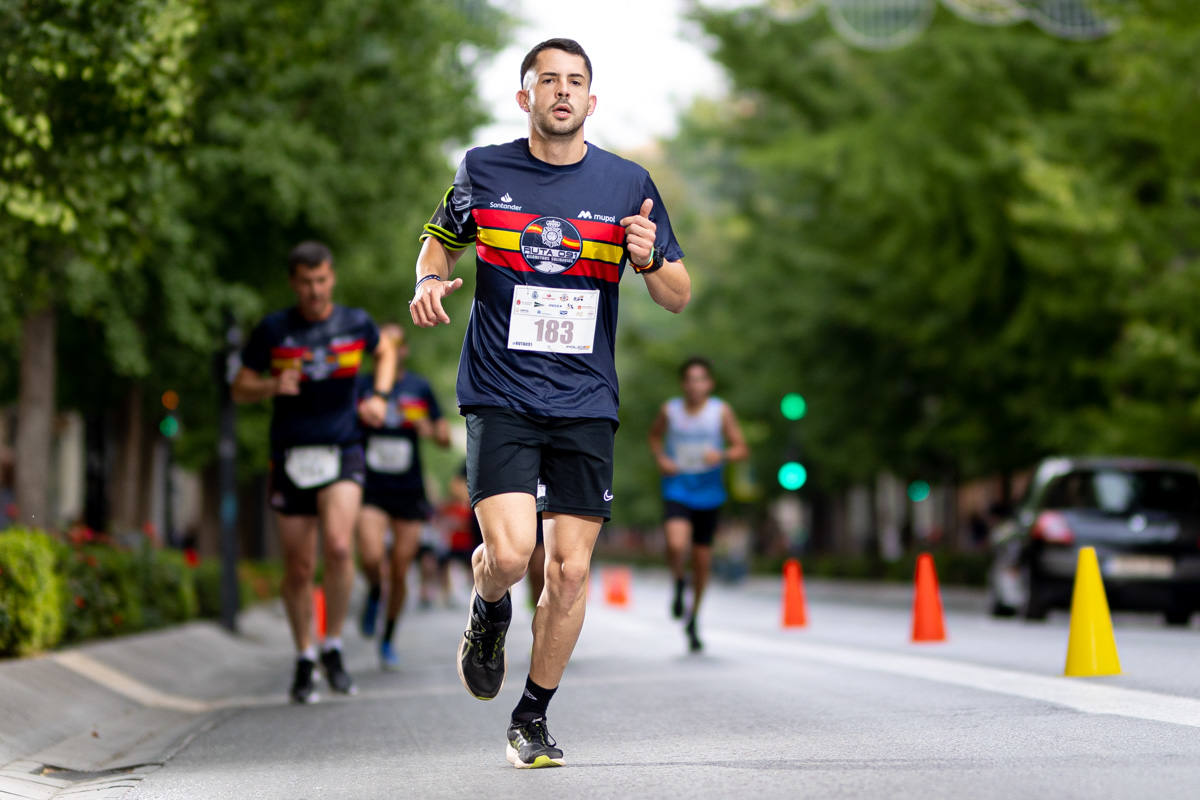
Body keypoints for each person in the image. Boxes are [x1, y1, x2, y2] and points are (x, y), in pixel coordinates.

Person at [409, 37, 690, 769]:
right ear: (524, 96)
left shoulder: (630, 185)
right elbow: (437, 243)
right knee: (510, 552)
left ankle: (530, 716)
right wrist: (429, 280)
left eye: (575, 83)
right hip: (500, 390)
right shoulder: (483, 169)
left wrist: (648, 258)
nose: (562, 92)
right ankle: (489, 605)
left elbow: (678, 296)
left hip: (585, 398)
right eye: (548, 81)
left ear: (591, 102)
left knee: (567, 571)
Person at [233, 241, 396, 704]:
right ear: (293, 283)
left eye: (321, 280)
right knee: (300, 566)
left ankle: (334, 645)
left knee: (340, 547)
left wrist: (379, 397)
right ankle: (304, 656)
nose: (314, 290)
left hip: (342, 446)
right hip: (290, 453)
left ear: (332, 278)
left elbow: (385, 351)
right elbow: (239, 386)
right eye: (305, 282)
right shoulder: (273, 330)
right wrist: (270, 383)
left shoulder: (354, 322)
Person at [355, 323, 449, 669]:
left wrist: (428, 428)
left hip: (409, 491)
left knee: (400, 568)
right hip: (371, 487)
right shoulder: (362, 386)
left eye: (396, 343)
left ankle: (389, 637)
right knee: (370, 555)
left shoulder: (419, 388)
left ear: (404, 351)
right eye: (383, 344)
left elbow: (444, 437)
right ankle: (374, 592)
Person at [648, 357, 749, 652]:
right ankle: (679, 582)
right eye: (690, 379)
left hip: (709, 494)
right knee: (677, 545)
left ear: (710, 384)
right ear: (683, 384)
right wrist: (662, 459)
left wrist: (723, 455)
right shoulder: (671, 410)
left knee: (703, 562)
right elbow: (654, 437)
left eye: (701, 379)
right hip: (678, 488)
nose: (695, 385)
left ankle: (694, 617)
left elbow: (741, 448)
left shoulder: (720, 411)